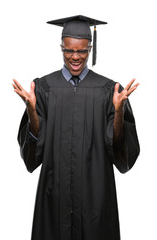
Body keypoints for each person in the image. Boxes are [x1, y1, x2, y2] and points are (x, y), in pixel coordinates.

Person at [13, 15, 140, 240]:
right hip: (55, 196)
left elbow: (120, 151)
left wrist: (119, 112)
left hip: (95, 201)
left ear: (90, 48)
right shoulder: (43, 88)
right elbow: (34, 155)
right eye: (69, 50)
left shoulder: (108, 91)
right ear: (61, 47)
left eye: (82, 51)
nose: (75, 57)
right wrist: (32, 111)